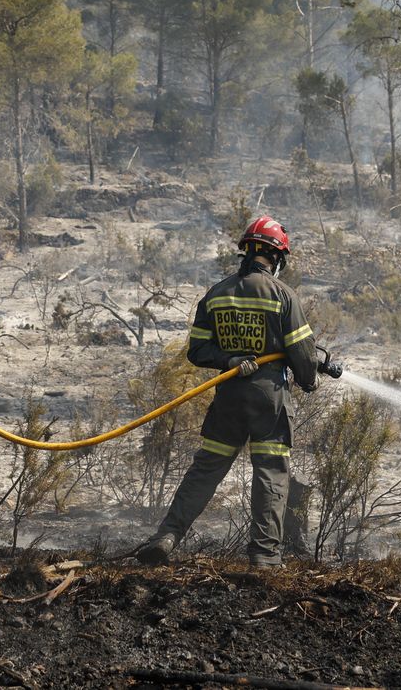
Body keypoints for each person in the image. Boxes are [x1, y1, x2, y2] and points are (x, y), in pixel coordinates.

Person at [136, 216, 337, 568]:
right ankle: (264, 556)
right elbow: (302, 353)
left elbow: (197, 351)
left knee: (207, 468)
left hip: (228, 394)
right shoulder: (282, 296)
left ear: (247, 250)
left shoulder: (216, 294)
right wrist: (310, 379)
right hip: (268, 397)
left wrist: (230, 359)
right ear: (277, 257)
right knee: (271, 470)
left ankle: (166, 537)